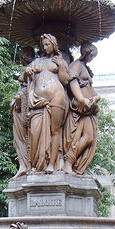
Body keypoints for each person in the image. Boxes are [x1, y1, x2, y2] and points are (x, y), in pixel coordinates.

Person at [23, 34, 72, 174]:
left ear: (54, 45)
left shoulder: (60, 61)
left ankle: (51, 164)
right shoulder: (37, 61)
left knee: (55, 131)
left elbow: (65, 81)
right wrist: (26, 72)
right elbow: (22, 78)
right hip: (38, 101)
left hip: (57, 97)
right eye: (43, 45)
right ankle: (37, 164)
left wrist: (61, 65)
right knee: (34, 131)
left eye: (47, 44)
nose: (44, 47)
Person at [63, 41, 101, 174]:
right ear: (86, 53)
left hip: (88, 109)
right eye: (92, 56)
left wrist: (96, 97)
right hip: (79, 108)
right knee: (78, 137)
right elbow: (72, 80)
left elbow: (89, 87)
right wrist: (80, 99)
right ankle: (68, 163)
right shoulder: (76, 64)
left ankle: (70, 163)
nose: (92, 59)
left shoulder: (85, 68)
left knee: (89, 137)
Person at [10, 47, 36, 178]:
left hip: (29, 110)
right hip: (20, 109)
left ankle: (29, 165)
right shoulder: (30, 69)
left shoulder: (35, 67)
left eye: (24, 56)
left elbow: (22, 79)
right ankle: (24, 165)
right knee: (18, 139)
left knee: (28, 138)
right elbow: (22, 79)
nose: (23, 59)